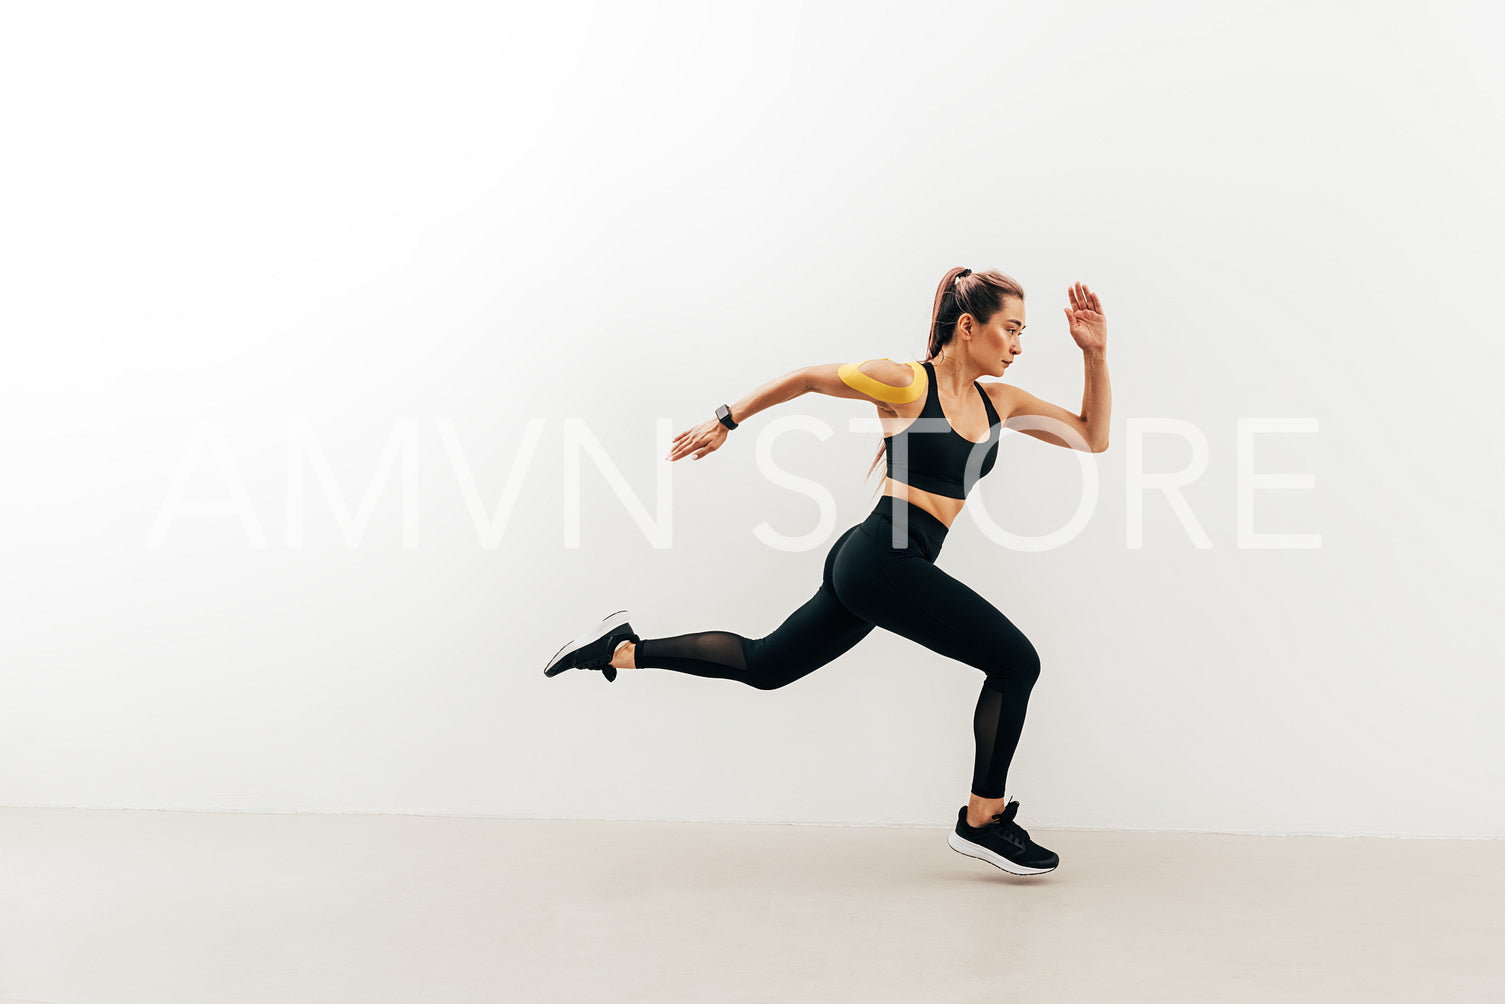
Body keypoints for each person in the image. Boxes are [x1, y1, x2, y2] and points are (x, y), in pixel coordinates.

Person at [544, 268, 1111, 876]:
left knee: (766, 666)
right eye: (1011, 330)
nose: (1019, 346)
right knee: (1016, 661)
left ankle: (619, 650)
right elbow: (808, 379)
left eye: (1023, 333)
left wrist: (1095, 356)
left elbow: (1090, 437)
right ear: (969, 327)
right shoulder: (904, 383)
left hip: (880, 563)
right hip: (882, 559)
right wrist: (726, 419)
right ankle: (982, 820)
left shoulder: (1000, 402)